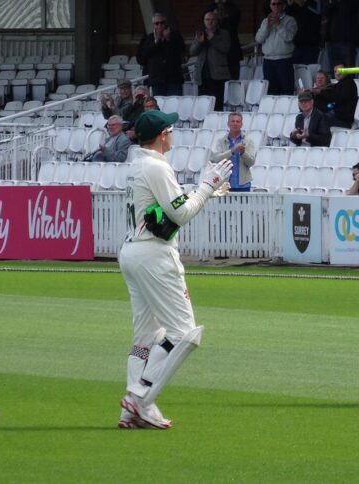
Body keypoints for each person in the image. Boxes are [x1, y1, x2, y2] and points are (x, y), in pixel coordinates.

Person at [117, 110, 232, 429]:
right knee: (185, 334)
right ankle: (141, 398)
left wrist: (202, 191)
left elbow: (169, 208)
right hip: (154, 256)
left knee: (145, 337)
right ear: (162, 135)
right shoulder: (155, 166)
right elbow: (181, 214)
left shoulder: (138, 163)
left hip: (132, 252)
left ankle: (131, 409)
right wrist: (207, 186)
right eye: (170, 130)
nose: (172, 134)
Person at [190, 10, 231, 112]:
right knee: (203, 104)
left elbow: (226, 48)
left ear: (216, 21)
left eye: (212, 19)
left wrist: (213, 39)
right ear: (204, 21)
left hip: (217, 75)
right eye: (207, 19)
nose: (210, 22)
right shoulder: (200, 33)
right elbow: (192, 51)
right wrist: (199, 42)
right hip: (202, 75)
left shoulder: (223, 33)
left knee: (217, 104)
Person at [136, 13, 186, 96]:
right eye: (157, 23)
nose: (160, 25)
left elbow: (182, 50)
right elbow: (141, 58)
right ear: (153, 25)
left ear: (166, 23)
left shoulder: (175, 35)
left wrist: (168, 39)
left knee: (174, 105)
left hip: (174, 80)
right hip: (157, 80)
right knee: (160, 106)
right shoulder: (148, 38)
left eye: (162, 23)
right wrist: (156, 42)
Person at [255, 0, 297, 95]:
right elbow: (258, 39)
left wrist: (279, 25)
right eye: (273, 4)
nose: (276, 6)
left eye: (279, 3)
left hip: (284, 60)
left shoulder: (290, 20)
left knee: (286, 89)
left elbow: (289, 37)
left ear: (284, 6)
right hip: (268, 61)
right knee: (270, 91)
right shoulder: (265, 21)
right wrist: (267, 27)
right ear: (270, 6)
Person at [210, 112, 256, 192]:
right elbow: (216, 159)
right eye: (233, 121)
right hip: (225, 183)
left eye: (238, 122)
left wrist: (243, 153)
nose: (235, 123)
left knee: (244, 205)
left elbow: (251, 162)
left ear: (241, 124)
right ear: (228, 124)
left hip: (243, 185)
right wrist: (232, 151)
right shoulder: (221, 141)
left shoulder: (248, 141)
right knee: (225, 205)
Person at [207, 0, 242, 80]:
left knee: (233, 82)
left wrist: (224, 3)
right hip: (216, 59)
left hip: (232, 56)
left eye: (222, 11)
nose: (219, 13)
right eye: (217, 12)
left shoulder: (232, 12)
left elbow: (236, 15)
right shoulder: (210, 9)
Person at [322, 0, 359, 70]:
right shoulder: (331, 2)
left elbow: (348, 9)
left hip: (346, 42)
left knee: (348, 70)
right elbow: (325, 12)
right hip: (332, 42)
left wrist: (336, 3)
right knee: (334, 72)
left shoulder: (350, 3)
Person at [287, 0, 322, 64]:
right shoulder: (294, 6)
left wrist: (302, 3)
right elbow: (286, 15)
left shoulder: (315, 3)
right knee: (295, 72)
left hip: (311, 47)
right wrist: (290, 4)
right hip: (295, 47)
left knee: (309, 72)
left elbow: (317, 12)